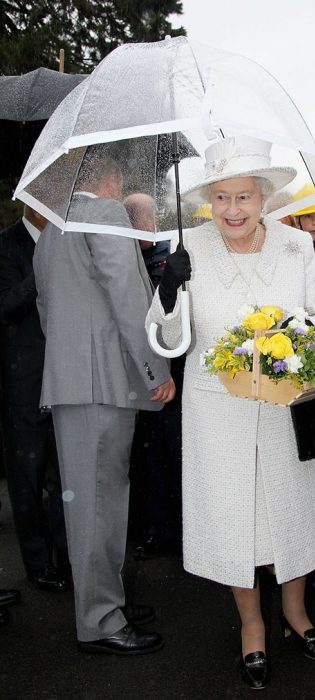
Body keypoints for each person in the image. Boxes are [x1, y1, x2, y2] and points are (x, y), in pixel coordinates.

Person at [146, 135, 315, 690]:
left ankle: (297, 615)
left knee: (293, 515)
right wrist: (166, 291)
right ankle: (252, 626)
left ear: (263, 198)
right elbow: (168, 340)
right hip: (218, 410)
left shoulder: (294, 247)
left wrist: (299, 339)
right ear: (209, 198)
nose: (232, 210)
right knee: (236, 523)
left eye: (244, 197)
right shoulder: (191, 248)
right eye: (222, 197)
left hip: (285, 406)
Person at [33, 151, 174, 655]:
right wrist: (156, 370)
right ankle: (99, 621)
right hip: (103, 384)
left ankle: (104, 601)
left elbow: (47, 311)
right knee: (98, 506)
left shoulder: (52, 227)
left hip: (75, 383)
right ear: (113, 181)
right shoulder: (105, 214)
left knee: (94, 502)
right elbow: (129, 298)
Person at [0, 206, 69, 591]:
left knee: (63, 475)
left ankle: (68, 557)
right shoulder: (6, 246)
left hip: (63, 374)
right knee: (26, 477)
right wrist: (41, 270)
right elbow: (7, 306)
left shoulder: (66, 242)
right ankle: (38, 564)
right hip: (22, 381)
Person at [123, 193, 183, 556]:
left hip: (174, 369)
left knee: (172, 452)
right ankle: (154, 529)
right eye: (131, 218)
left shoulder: (174, 253)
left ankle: (178, 528)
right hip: (136, 371)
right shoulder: (121, 255)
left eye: (143, 216)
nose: (138, 224)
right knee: (143, 460)